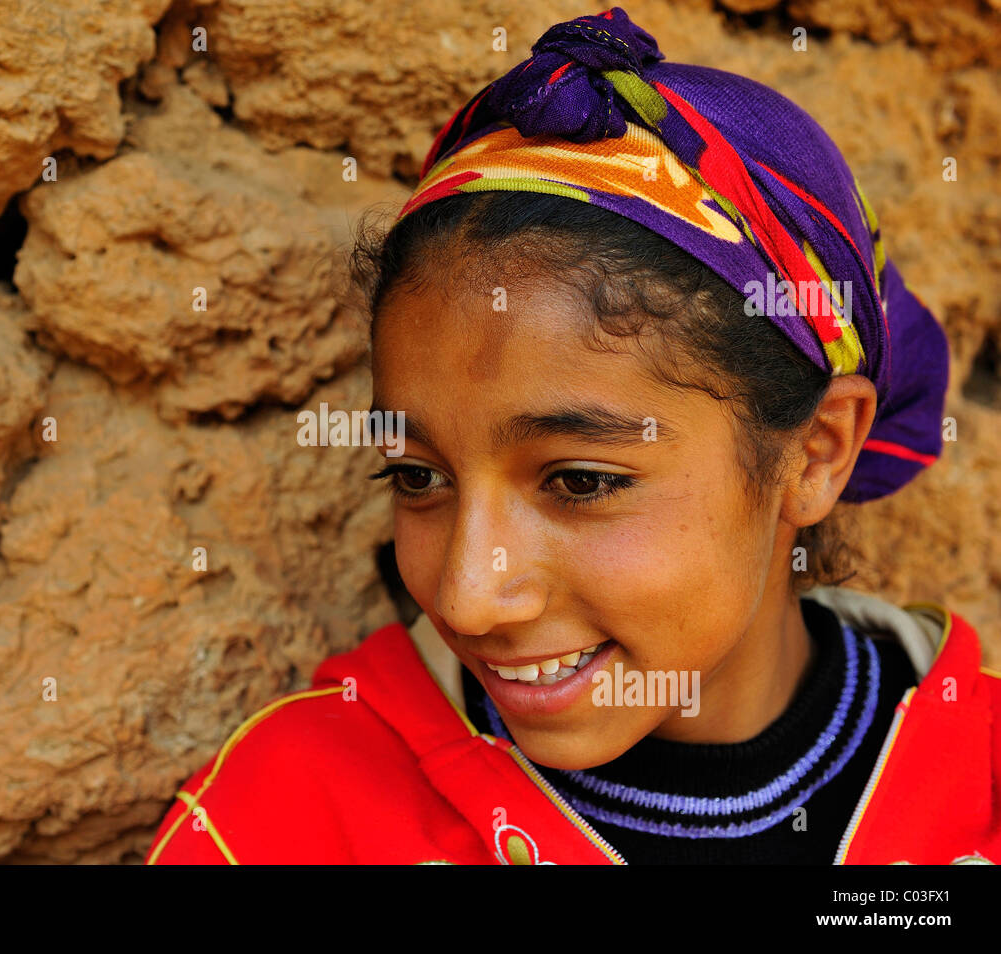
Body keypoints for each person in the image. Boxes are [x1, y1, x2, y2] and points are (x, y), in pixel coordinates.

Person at [146, 7, 999, 865]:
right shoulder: (288, 819)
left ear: (814, 452)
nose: (469, 597)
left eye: (581, 481)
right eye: (416, 477)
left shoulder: (980, 793)